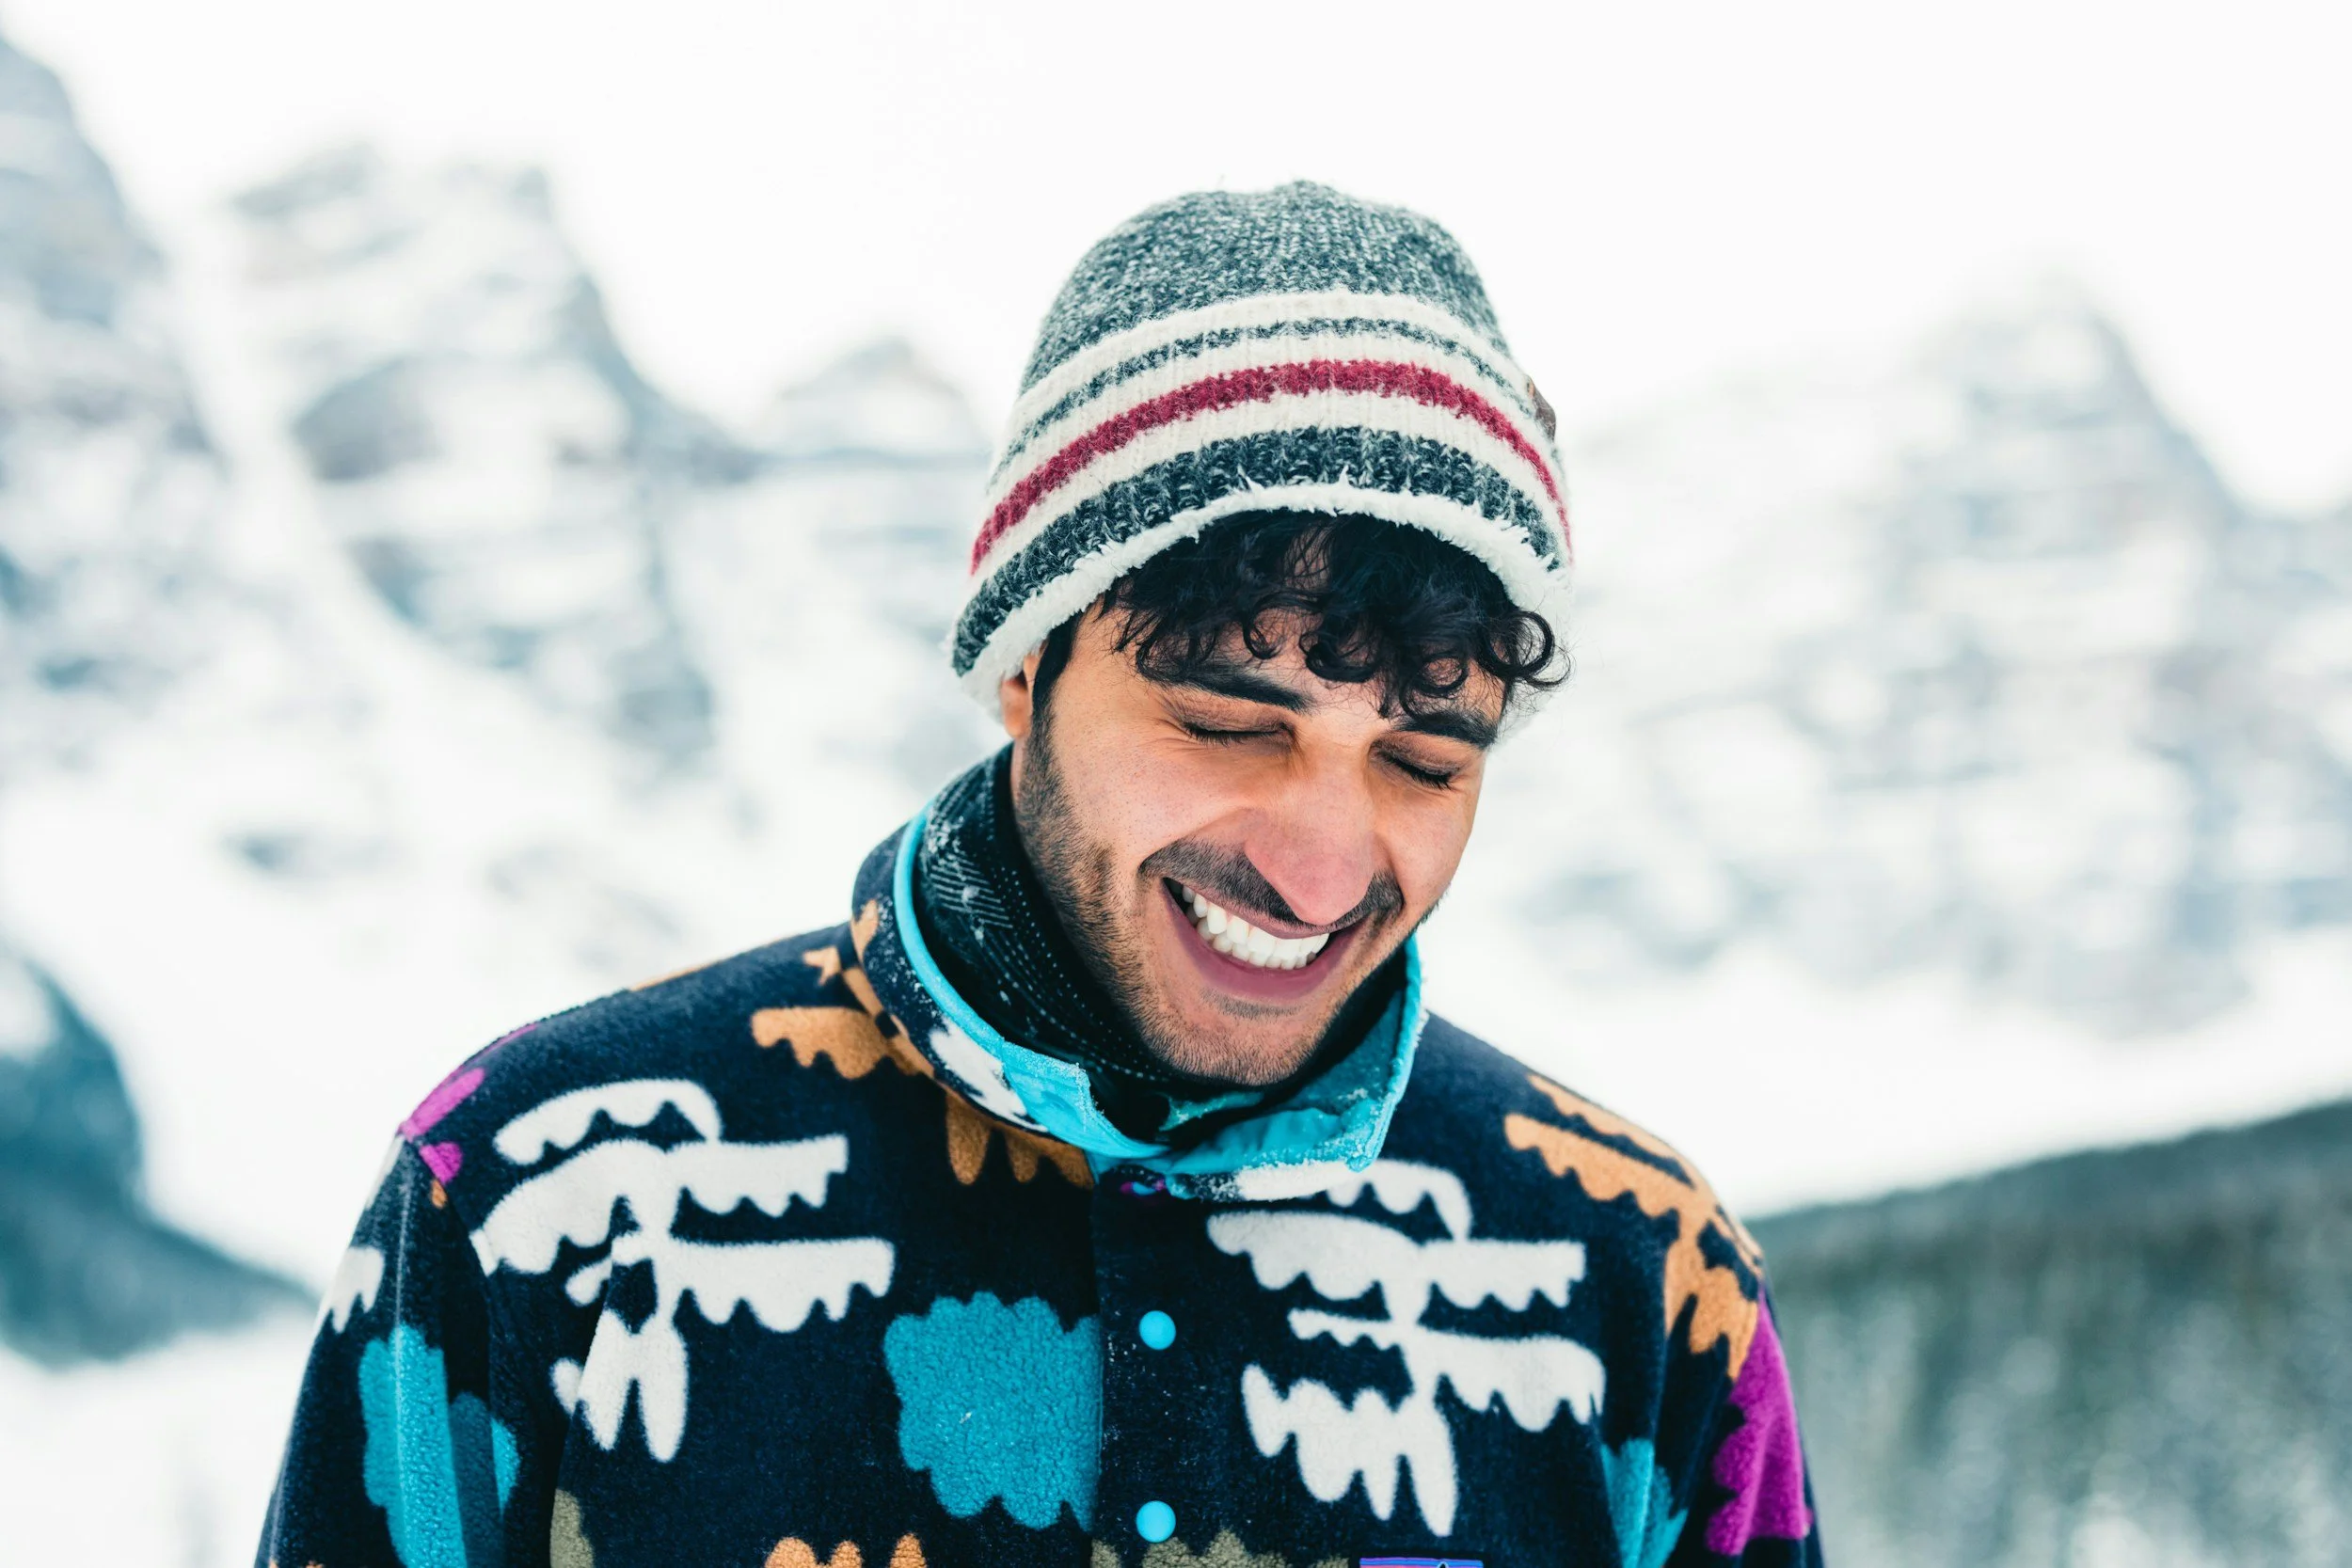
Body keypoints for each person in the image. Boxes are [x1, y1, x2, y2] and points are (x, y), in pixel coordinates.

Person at [257, 182, 1823, 1568]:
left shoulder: (1643, 1285)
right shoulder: (540, 1204)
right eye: (1226, 720)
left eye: (1427, 761)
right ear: (1027, 664)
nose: (1323, 865)